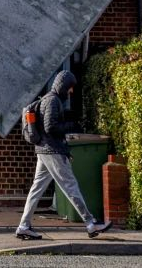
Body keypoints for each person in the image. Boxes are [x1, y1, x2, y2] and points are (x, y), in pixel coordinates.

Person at [15, 70, 112, 240]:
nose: (71, 91)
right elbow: (50, 128)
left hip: (44, 150)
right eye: (70, 87)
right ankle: (91, 223)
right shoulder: (53, 101)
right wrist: (71, 125)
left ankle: (24, 226)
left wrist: (65, 149)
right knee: (70, 186)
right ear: (63, 85)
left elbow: (48, 129)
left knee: (36, 189)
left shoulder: (48, 99)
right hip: (52, 151)